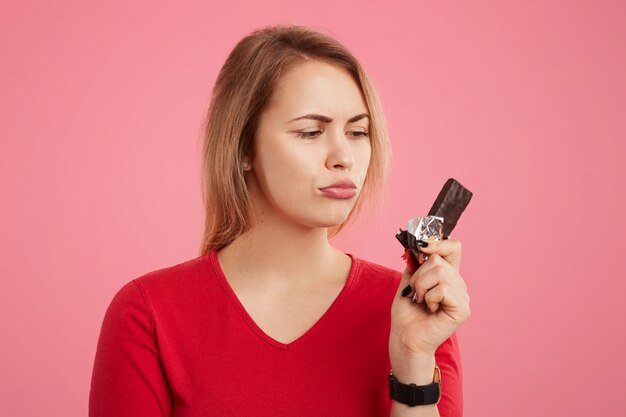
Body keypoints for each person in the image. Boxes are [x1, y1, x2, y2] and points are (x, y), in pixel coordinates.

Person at [89, 24, 471, 417]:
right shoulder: (148, 314)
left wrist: (412, 360)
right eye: (310, 132)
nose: (344, 157)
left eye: (358, 132)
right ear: (243, 148)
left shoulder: (419, 309)